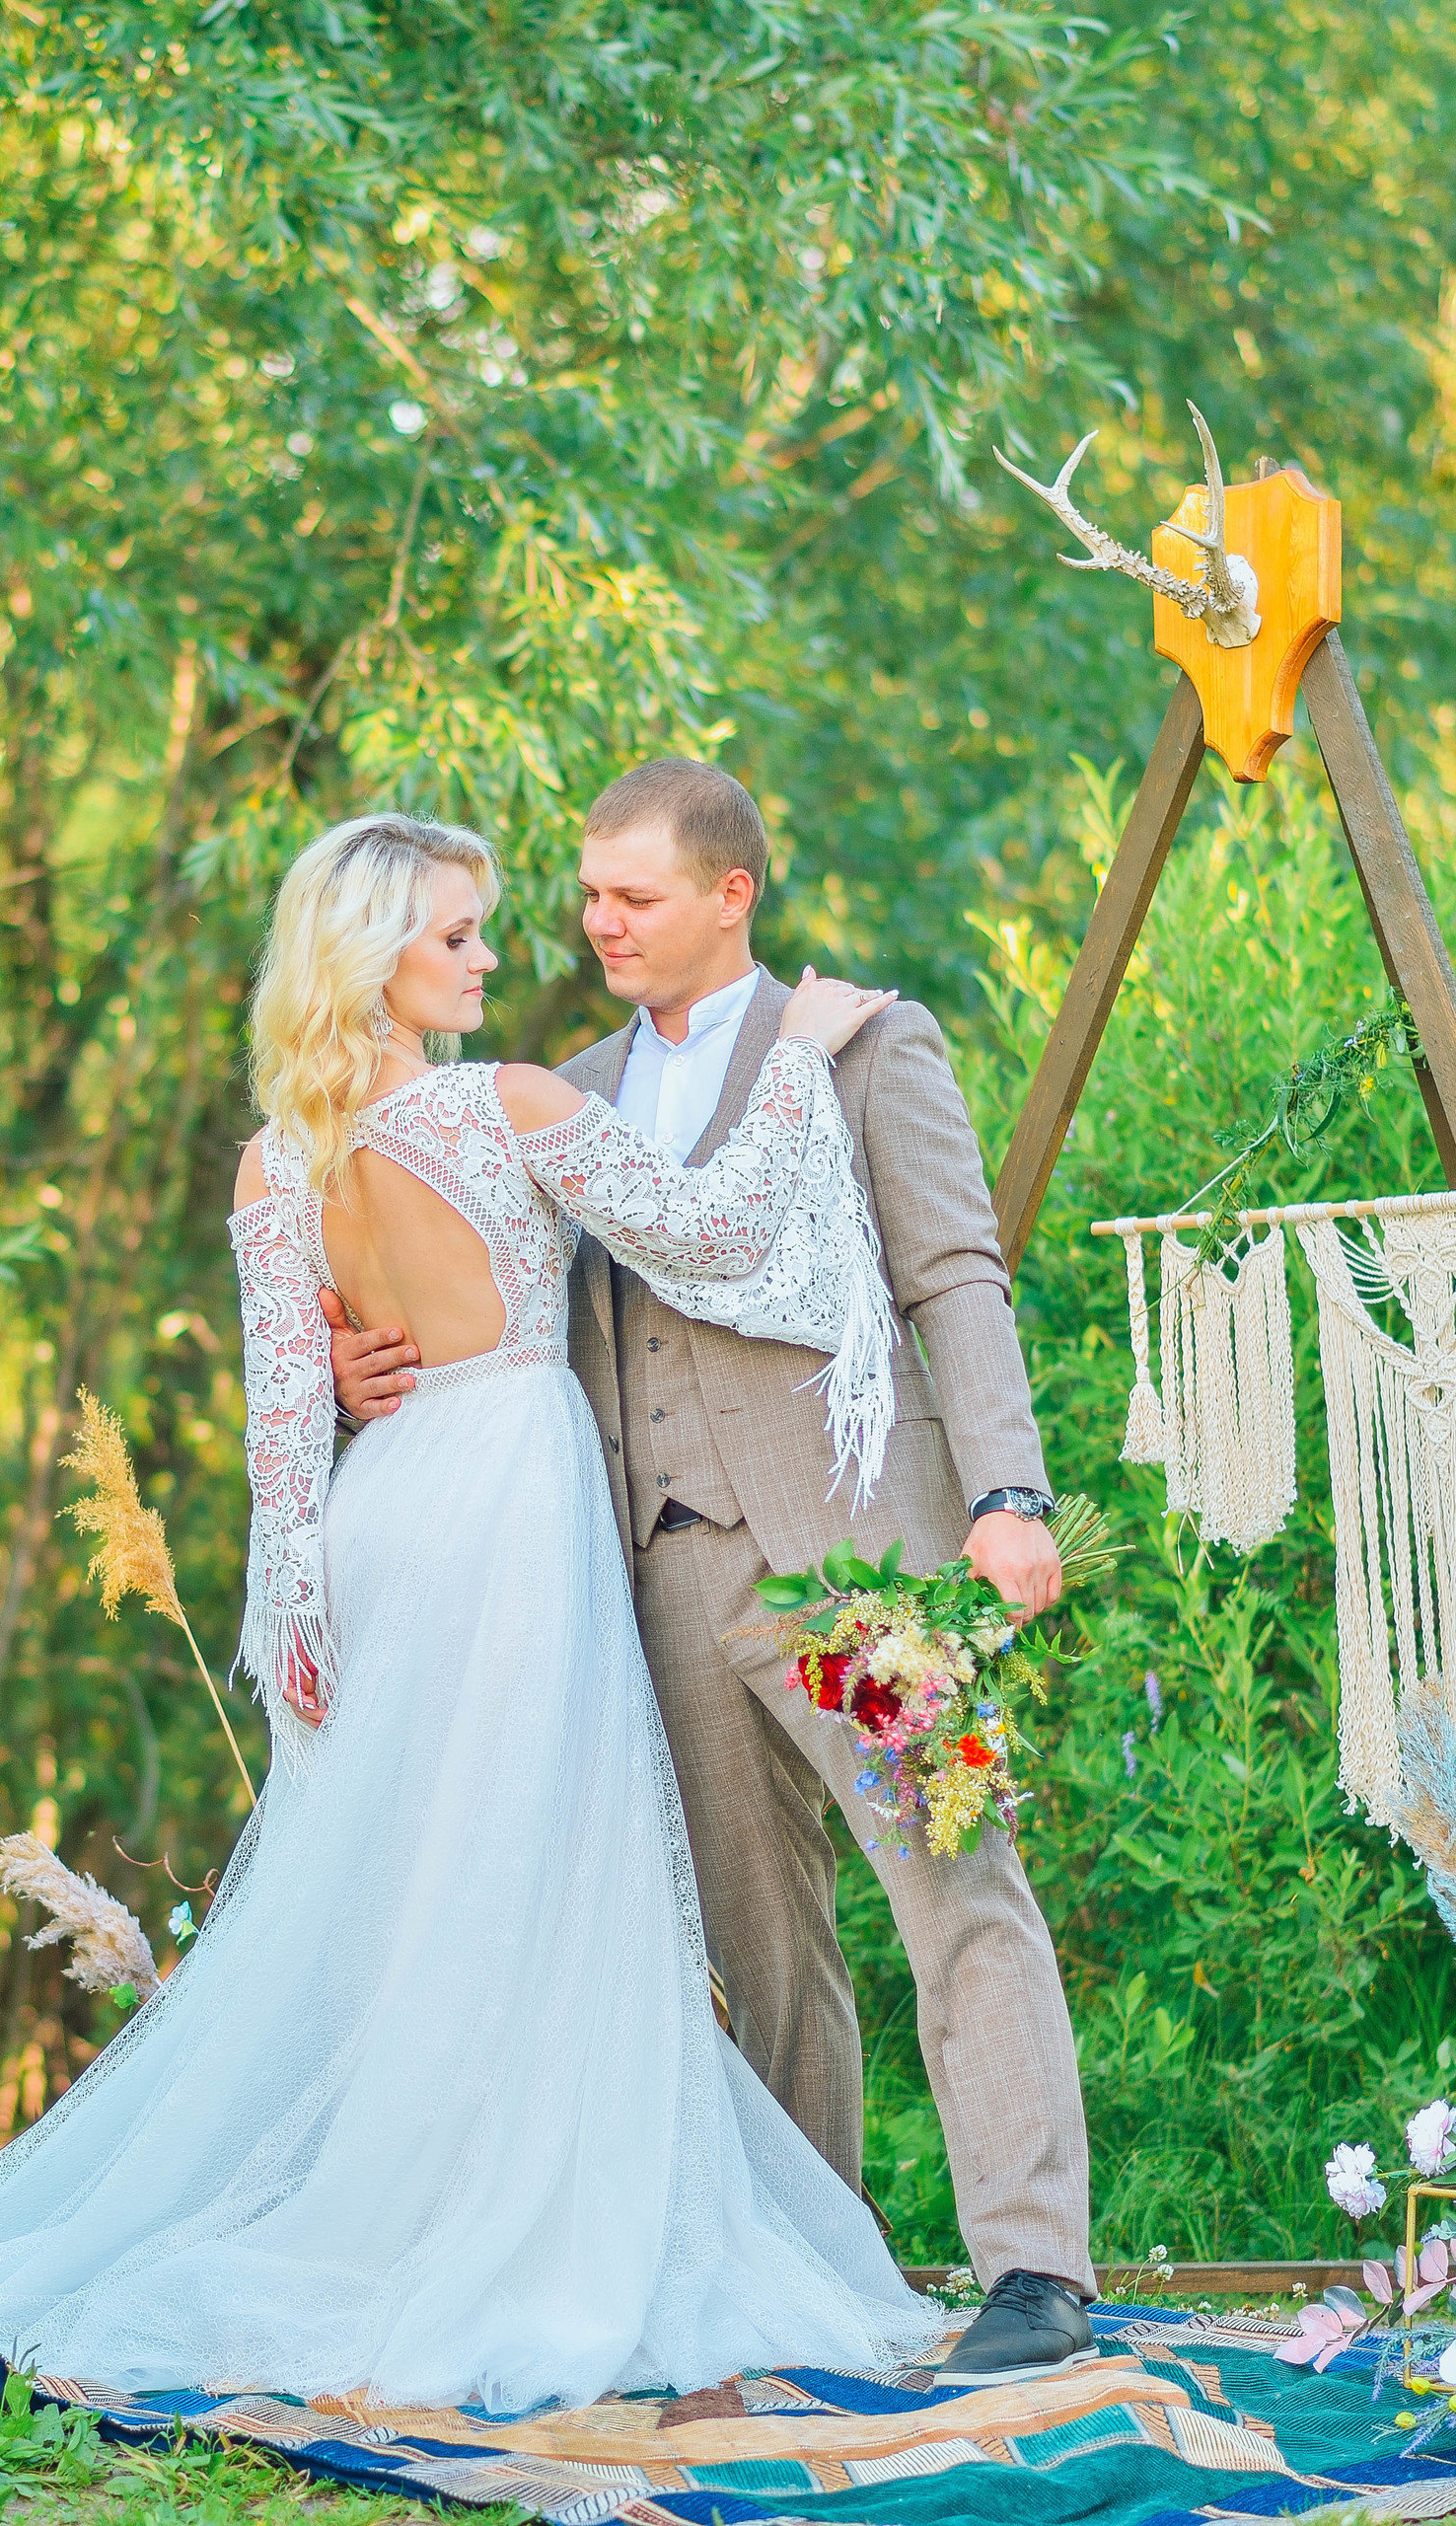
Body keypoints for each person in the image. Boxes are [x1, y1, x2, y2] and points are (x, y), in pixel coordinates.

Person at [0, 810, 944, 2408]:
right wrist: (802, 1047)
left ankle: (411, 2209)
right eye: (457, 934)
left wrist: (296, 1620)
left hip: (386, 1519)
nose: (489, 955)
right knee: (528, 1871)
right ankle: (499, 2228)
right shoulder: (508, 1106)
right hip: (513, 1496)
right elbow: (723, 1238)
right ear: (376, 958)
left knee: (414, 1894)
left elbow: (282, 1429)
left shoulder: (274, 1158)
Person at [331, 761, 1100, 2388]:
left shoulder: (870, 1045)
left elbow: (955, 1271)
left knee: (959, 1892)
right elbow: (481, 1291)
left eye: (634, 896)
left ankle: (1034, 2274)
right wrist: (365, 1363)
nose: (596, 922)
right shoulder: (566, 1087)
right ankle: (810, 2274)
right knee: (758, 1948)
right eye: (590, 895)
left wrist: (1011, 1492)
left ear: (730, 894)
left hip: (858, 1575)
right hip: (658, 1578)